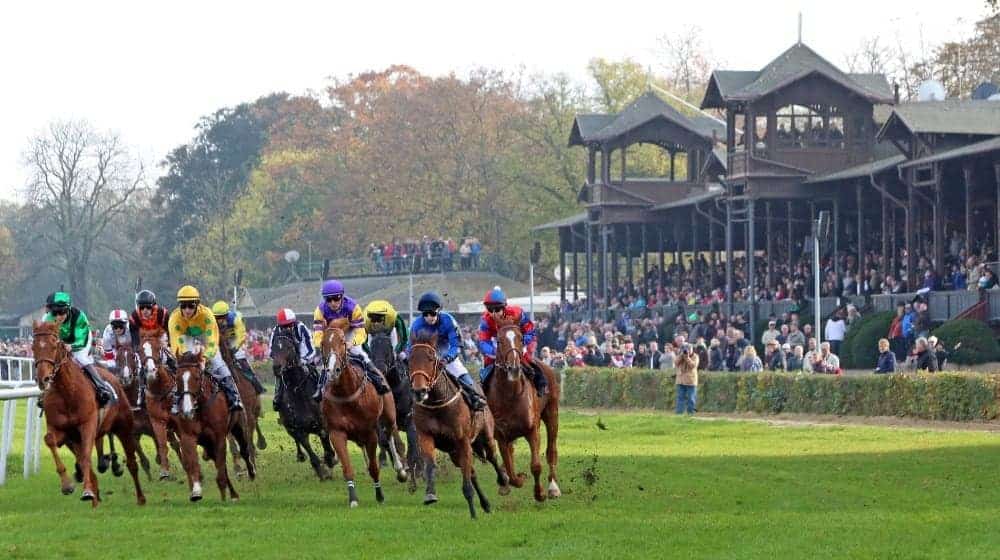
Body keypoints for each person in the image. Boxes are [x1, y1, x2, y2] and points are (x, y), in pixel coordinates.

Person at [312, 279, 390, 401]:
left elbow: (361, 331)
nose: (333, 303)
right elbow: (317, 332)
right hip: (331, 335)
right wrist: (321, 344)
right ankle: (320, 388)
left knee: (360, 354)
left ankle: (378, 381)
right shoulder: (320, 310)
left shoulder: (353, 307)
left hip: (350, 333)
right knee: (328, 360)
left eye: (336, 298)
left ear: (342, 296)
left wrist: (351, 343)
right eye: (329, 299)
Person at [168, 285, 243, 412]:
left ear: (197, 304)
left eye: (190, 306)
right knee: (180, 367)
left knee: (218, 364)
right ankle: (176, 398)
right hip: (187, 338)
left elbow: (213, 342)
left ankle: (234, 396)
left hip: (205, 338)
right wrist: (184, 358)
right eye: (183, 306)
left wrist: (204, 358)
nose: (187, 310)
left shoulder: (207, 315)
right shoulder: (174, 318)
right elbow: (176, 343)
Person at [409, 291, 486, 410]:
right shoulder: (416, 325)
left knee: (460, 372)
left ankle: (475, 396)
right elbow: (411, 347)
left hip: (446, 353)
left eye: (432, 313)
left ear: (438, 311)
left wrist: (448, 358)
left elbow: (457, 345)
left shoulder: (448, 320)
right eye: (425, 314)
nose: (429, 317)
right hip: (426, 358)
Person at [42, 291, 117, 406]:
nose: (57, 316)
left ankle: (101, 387)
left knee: (81, 358)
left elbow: (81, 340)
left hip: (81, 339)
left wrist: (71, 346)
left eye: (61, 312)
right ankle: (44, 392)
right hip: (62, 341)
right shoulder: (47, 319)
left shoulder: (79, 317)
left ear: (68, 309)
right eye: (54, 312)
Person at [477, 286, 547, 397]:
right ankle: (483, 392)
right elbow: (483, 341)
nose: (494, 313)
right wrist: (495, 351)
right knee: (487, 363)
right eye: (490, 310)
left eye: (497, 309)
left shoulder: (517, 312)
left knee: (526, 358)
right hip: (499, 343)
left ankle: (541, 383)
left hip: (520, 339)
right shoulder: (485, 320)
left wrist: (521, 341)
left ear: (504, 307)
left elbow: (531, 331)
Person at [212, 301, 265, 395]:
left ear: (227, 314)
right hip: (220, 340)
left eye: (221, 317)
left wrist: (235, 348)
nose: (219, 320)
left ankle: (256, 384)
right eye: (217, 317)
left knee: (241, 358)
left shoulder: (236, 319)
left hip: (234, 339)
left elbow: (241, 336)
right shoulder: (212, 321)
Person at [269, 308, 316, 412]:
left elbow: (311, 349)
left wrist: (303, 360)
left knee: (313, 373)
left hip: (304, 360)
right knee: (279, 376)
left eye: (290, 325)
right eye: (284, 326)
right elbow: (271, 351)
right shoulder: (276, 331)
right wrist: (282, 361)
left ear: (294, 322)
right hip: (285, 362)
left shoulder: (301, 328)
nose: (287, 328)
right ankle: (277, 397)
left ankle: (320, 393)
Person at [675, 343, 699, 415]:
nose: (687, 351)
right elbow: (676, 363)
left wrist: (687, 358)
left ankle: (690, 413)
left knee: (691, 398)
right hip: (680, 380)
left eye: (689, 349)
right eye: (685, 349)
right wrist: (681, 356)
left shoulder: (695, 356)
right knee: (680, 398)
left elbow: (693, 366)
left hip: (690, 381)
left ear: (692, 349)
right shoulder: (681, 355)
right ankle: (679, 413)